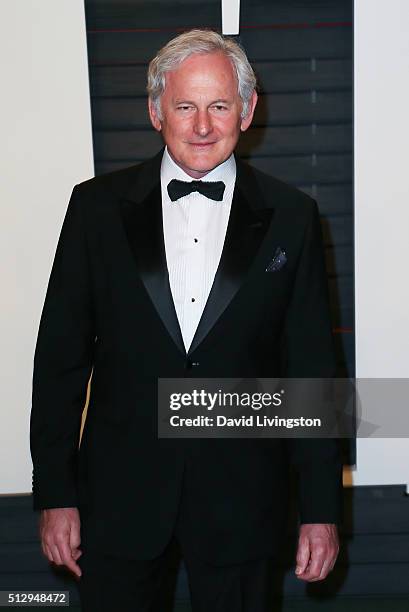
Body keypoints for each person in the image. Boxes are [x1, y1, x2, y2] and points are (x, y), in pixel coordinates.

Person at [30, 29, 342, 612]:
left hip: (245, 504)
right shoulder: (94, 209)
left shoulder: (293, 217)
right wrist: (55, 494)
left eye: (219, 106)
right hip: (119, 504)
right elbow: (59, 365)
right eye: (185, 106)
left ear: (247, 111)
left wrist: (321, 510)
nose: (203, 126)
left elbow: (313, 375)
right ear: (155, 112)